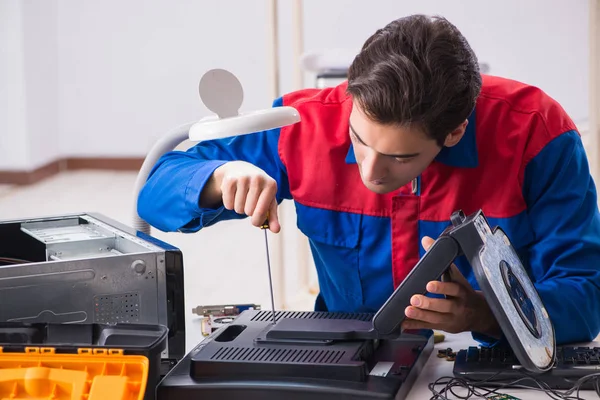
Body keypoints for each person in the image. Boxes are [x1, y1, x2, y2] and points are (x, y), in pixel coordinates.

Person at [138, 14, 600, 346]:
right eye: (359, 140)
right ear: (352, 97)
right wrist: (218, 176)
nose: (372, 172)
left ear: (455, 131)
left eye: (400, 157)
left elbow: (586, 291)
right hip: (348, 356)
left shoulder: (537, 133)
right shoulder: (303, 121)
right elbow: (155, 190)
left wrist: (488, 314)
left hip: (491, 361)